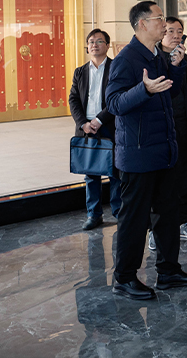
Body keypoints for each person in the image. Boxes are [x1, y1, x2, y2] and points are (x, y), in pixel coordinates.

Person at [106, 1, 187, 300]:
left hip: (163, 151)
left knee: (167, 214)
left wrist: (174, 68)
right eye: (159, 18)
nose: (165, 24)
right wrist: (144, 89)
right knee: (134, 219)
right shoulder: (126, 59)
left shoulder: (157, 56)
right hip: (138, 154)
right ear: (142, 24)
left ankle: (168, 271)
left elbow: (169, 91)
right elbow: (114, 103)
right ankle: (124, 278)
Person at [149, 17, 187, 247]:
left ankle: (183, 222)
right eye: (170, 31)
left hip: (183, 128)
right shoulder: (153, 60)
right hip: (159, 130)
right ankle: (155, 229)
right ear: (162, 33)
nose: (175, 35)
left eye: (179, 31)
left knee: (183, 177)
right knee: (158, 181)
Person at [69, 28, 121, 230]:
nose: (94, 45)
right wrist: (83, 123)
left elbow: (118, 99)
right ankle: (94, 214)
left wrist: (100, 120)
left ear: (107, 46)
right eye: (91, 41)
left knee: (115, 172)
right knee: (91, 174)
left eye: (99, 41)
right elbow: (73, 99)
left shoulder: (116, 68)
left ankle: (118, 211)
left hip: (109, 125)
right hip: (87, 128)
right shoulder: (80, 72)